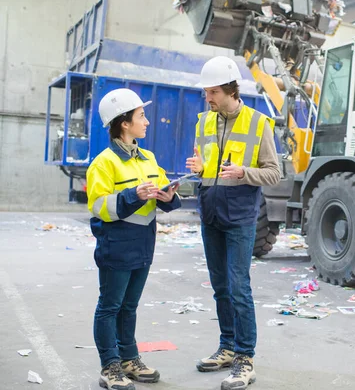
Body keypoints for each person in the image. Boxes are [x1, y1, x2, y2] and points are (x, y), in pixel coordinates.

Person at [186, 56, 280, 390]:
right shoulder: (204, 122)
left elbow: (274, 172)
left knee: (239, 287)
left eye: (212, 92)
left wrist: (244, 173)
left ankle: (245, 357)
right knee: (220, 287)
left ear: (229, 89)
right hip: (210, 214)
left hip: (240, 217)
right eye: (205, 93)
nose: (207, 98)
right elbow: (207, 166)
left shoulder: (258, 123)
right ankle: (227, 347)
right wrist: (199, 168)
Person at [87, 88, 182, 390]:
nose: (147, 122)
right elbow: (100, 206)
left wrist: (169, 195)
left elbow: (162, 194)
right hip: (117, 245)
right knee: (110, 307)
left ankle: (129, 357)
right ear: (124, 123)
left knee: (129, 306)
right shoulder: (104, 163)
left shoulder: (148, 158)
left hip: (143, 244)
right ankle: (110, 365)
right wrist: (132, 195)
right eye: (141, 116)